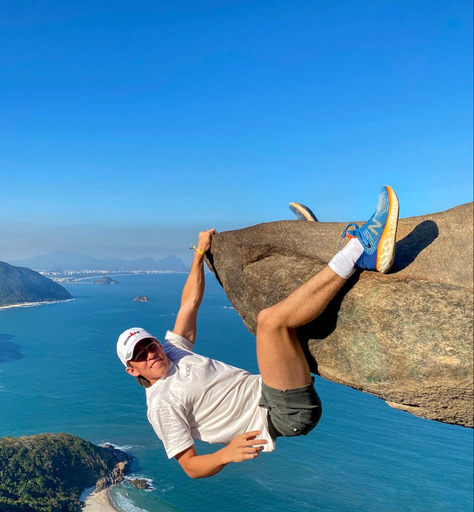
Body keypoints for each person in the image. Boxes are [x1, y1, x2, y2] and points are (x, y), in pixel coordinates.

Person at [116, 186, 399, 479]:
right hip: (283, 413)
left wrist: (199, 254)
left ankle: (318, 256)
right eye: (139, 355)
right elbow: (190, 467)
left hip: (273, 387)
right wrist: (225, 454)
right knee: (270, 322)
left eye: (148, 345)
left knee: (280, 308)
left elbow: (189, 303)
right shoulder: (161, 405)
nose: (150, 353)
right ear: (131, 370)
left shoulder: (172, 351)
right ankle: (361, 251)